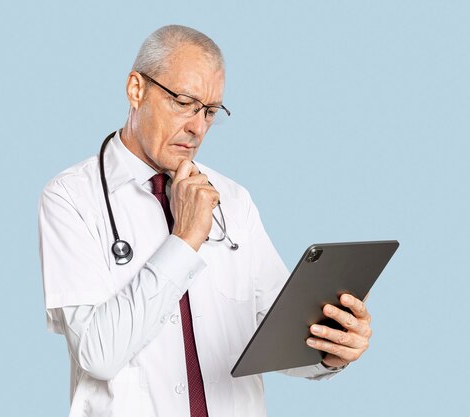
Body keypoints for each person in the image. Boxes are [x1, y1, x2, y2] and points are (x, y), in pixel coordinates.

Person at [39, 25, 373, 417]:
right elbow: (98, 355)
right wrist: (185, 239)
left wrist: (329, 351)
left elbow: (275, 339)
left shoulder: (233, 201)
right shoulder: (71, 198)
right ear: (136, 89)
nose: (197, 127)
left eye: (210, 111)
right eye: (184, 102)